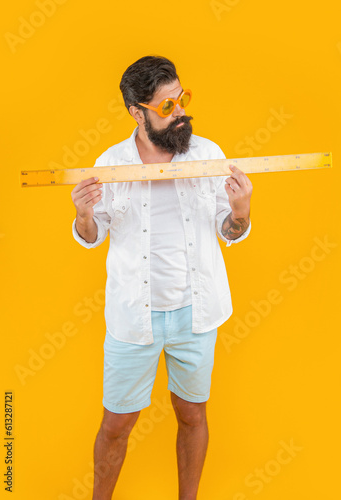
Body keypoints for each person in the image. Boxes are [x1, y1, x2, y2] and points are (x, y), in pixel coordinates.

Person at [71, 55, 252, 500]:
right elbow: (92, 237)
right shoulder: (111, 163)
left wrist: (242, 211)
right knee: (116, 424)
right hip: (135, 317)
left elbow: (229, 229)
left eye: (182, 99)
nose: (181, 112)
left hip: (197, 312)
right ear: (137, 112)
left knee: (192, 414)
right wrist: (83, 214)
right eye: (167, 106)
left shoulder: (209, 155)